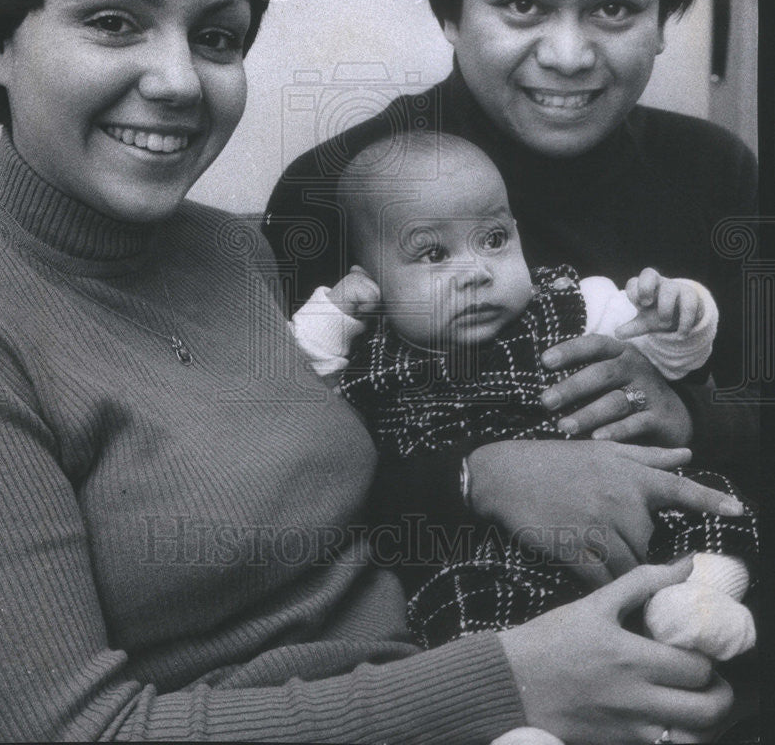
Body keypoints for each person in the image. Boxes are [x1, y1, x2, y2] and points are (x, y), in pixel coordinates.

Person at [0, 0, 738, 745]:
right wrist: (505, 674)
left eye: (216, 35)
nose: (175, 80)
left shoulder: (227, 252)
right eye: (114, 21)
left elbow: (355, 510)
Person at [263, 0, 760, 593]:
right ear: (450, 11)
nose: (567, 55)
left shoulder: (714, 172)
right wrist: (476, 475)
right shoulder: (338, 189)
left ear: (664, 19)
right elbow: (272, 474)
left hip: (704, 607)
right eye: (522, 5)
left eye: (614, 8)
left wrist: (692, 413)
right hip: (463, 641)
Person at [290, 131, 757, 658]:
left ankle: (697, 602)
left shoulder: (574, 302)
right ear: (370, 280)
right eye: (433, 253)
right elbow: (297, 389)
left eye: (493, 240)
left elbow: (673, 356)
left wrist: (681, 313)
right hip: (480, 551)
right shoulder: (371, 359)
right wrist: (335, 311)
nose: (477, 273)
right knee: (460, 611)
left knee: (711, 505)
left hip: (621, 505)